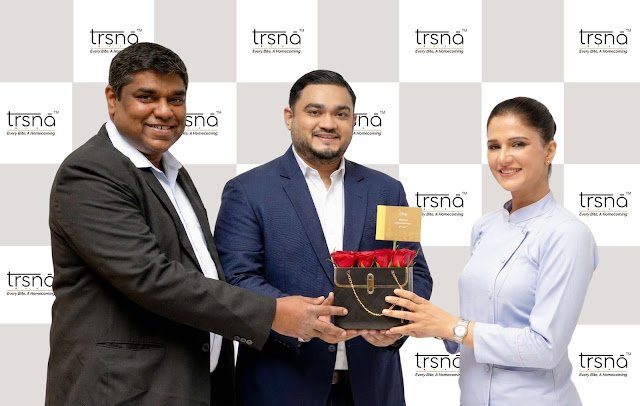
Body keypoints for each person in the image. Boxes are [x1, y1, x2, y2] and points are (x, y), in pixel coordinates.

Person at [45, 43, 348, 406]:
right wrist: (273, 313)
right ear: (113, 99)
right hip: (121, 390)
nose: (164, 111)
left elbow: (205, 273)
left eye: (176, 99)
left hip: (189, 385)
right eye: (146, 97)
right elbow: (151, 278)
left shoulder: (172, 173)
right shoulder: (90, 172)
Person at [213, 69, 433, 406]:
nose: (328, 123)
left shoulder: (386, 190)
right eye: (315, 111)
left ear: (354, 121)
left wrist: (393, 329)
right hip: (280, 387)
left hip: (373, 390)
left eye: (341, 114)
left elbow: (415, 273)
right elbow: (237, 279)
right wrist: (294, 318)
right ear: (289, 117)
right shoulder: (248, 190)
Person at [383, 97, 598, 405]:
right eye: (494, 146)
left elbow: (546, 347)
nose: (503, 158)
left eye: (518, 144)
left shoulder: (568, 234)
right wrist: (427, 324)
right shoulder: (485, 227)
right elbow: (477, 324)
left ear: (549, 150)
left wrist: (451, 326)